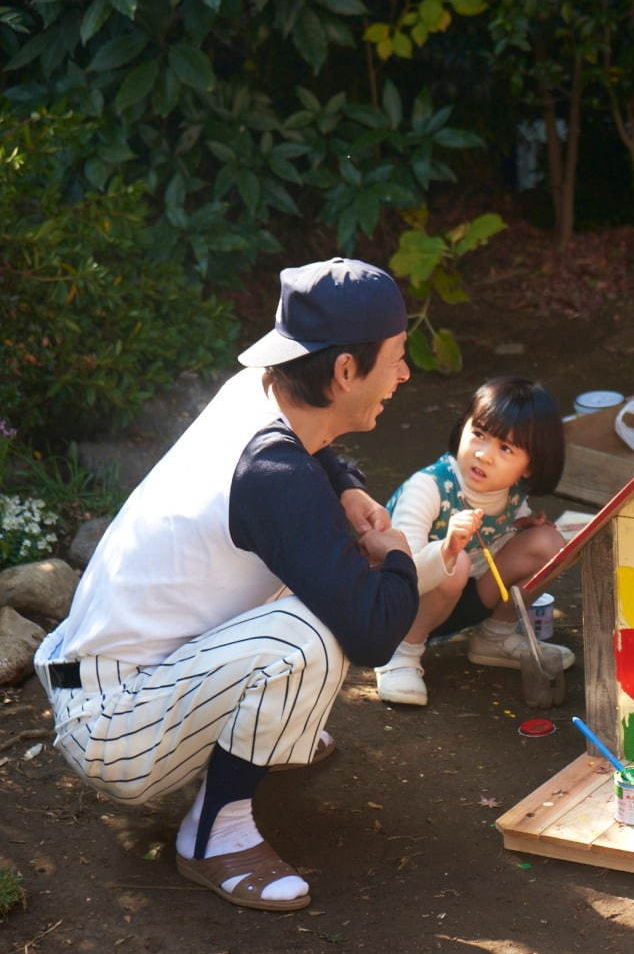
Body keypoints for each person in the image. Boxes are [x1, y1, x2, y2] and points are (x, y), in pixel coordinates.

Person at [33, 258, 420, 912]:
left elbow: (316, 452)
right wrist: (401, 555)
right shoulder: (274, 476)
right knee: (317, 628)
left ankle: (261, 731)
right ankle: (216, 832)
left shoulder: (258, 391)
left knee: (311, 582)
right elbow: (377, 631)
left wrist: (346, 485)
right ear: (345, 372)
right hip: (110, 732)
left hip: (80, 668)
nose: (406, 375)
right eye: (398, 358)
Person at [372, 376, 572, 706]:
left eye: (506, 448)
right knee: (459, 560)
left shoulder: (510, 491)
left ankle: (495, 638)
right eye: (479, 434)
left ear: (529, 468)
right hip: (396, 611)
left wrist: (523, 525)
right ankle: (400, 656)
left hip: (462, 600)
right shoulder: (429, 488)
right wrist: (448, 550)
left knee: (547, 543)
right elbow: (399, 573)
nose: (484, 455)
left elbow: (501, 534)